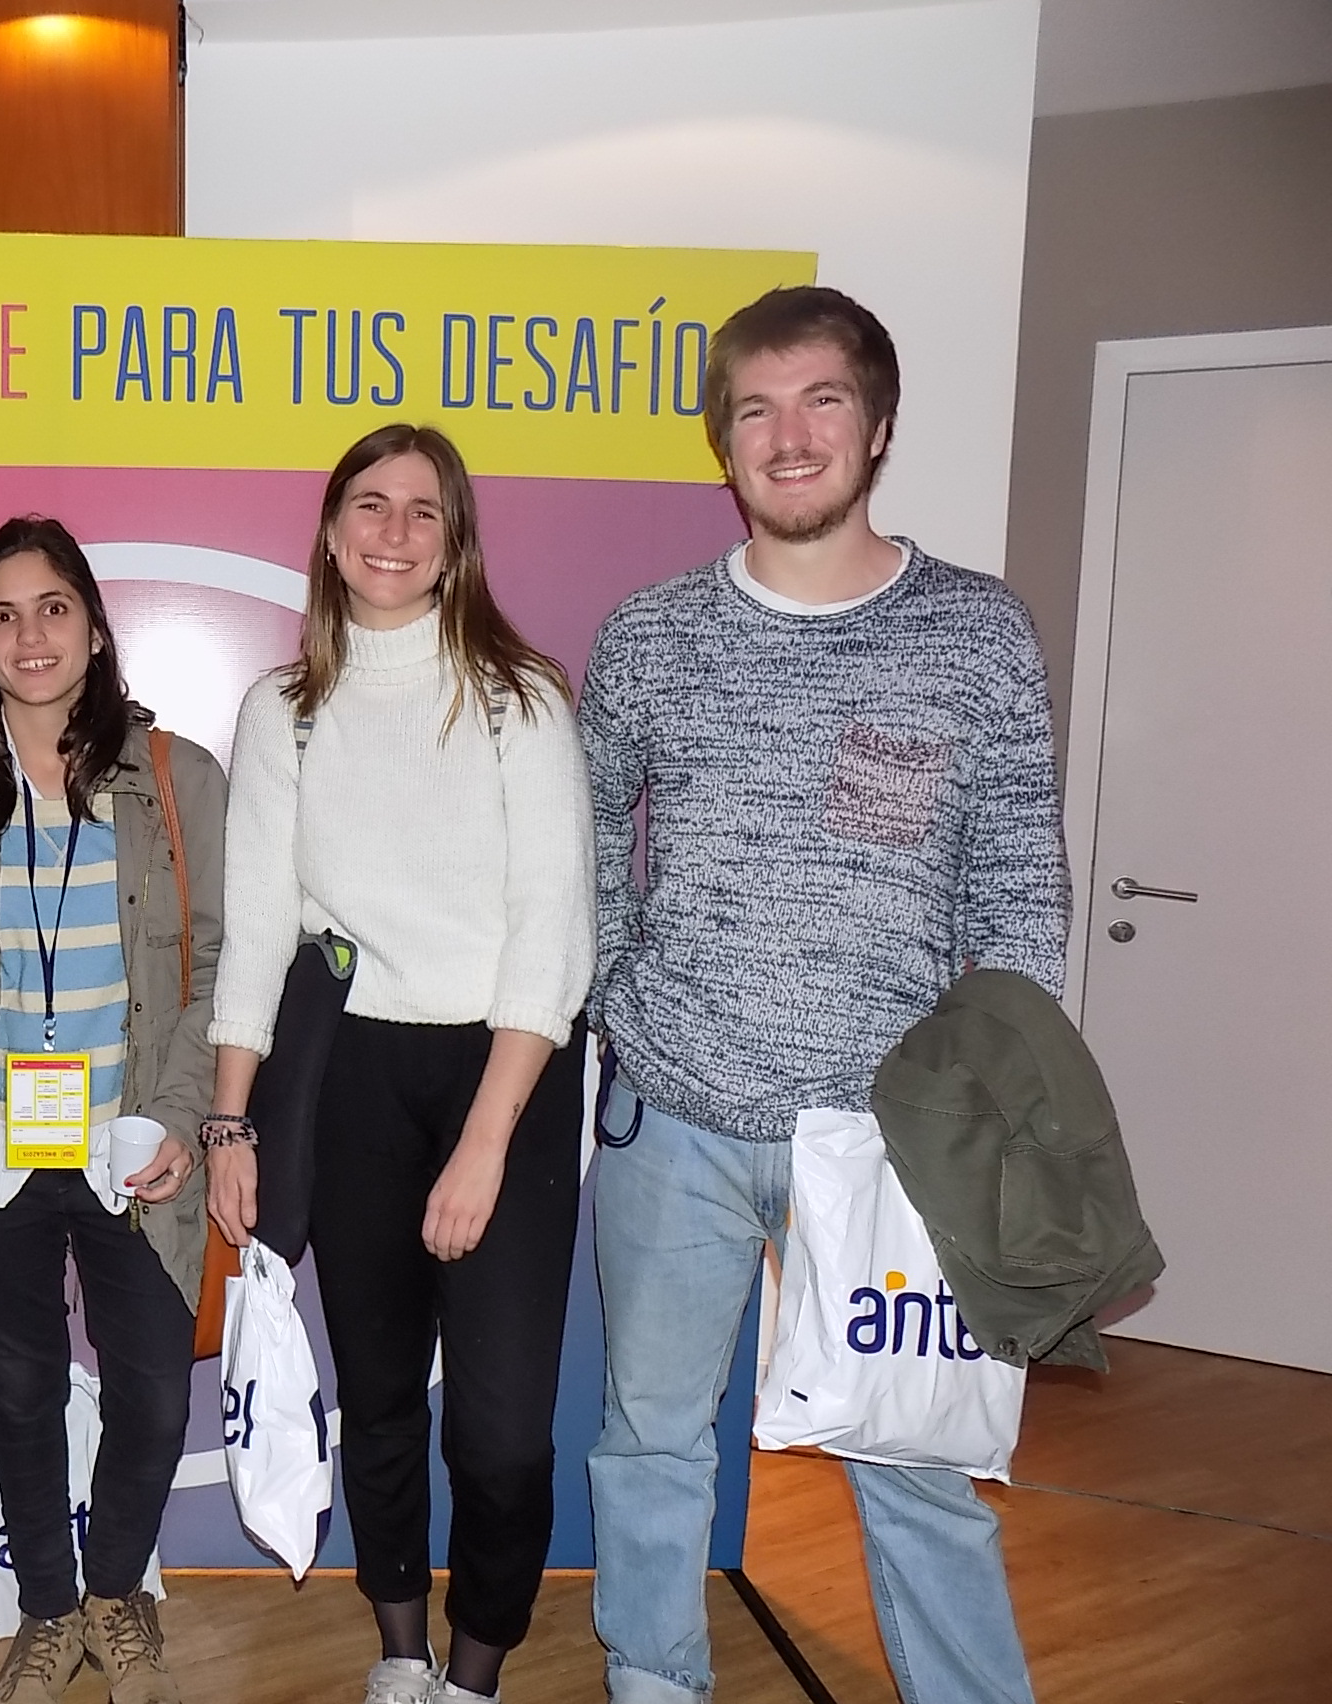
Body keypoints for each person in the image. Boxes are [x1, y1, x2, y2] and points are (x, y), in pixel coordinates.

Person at [581, 285, 1068, 1704]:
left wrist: (995, 1094)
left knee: (918, 1460)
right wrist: (620, 993)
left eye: (823, 401)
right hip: (669, 1117)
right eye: (755, 410)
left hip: (897, 1138)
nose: (788, 438)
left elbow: (1023, 889)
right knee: (651, 1441)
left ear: (880, 426)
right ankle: (652, 1685)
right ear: (720, 445)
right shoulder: (652, 635)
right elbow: (594, 832)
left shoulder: (975, 636)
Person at [207, 425, 595, 1704]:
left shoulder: (519, 700)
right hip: (352, 1081)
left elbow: (557, 932)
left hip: (507, 1081)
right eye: (367, 506)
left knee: (499, 1432)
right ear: (328, 532)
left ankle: (475, 1677)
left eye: (421, 511)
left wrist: (485, 1142)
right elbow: (258, 929)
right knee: (376, 1402)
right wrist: (227, 1125)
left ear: (455, 539)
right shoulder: (285, 711)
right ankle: (399, 1656)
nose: (390, 531)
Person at [0, 517, 225, 1704]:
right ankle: (50, 1611)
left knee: (156, 1388)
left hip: (135, 1150)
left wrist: (174, 1117)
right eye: (2, 614)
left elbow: (217, 966)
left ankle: (116, 1594)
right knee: (17, 1388)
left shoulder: (178, 782)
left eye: (53, 607)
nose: (30, 635)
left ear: (95, 626)